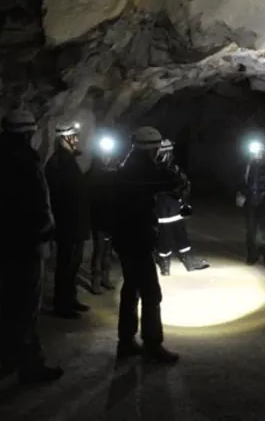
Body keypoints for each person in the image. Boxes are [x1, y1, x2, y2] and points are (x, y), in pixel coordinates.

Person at [0, 109, 63, 383]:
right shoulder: (26, 163)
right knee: (26, 307)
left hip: (4, 244)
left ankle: (8, 358)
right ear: (28, 134)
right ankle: (31, 365)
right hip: (26, 246)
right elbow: (38, 206)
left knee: (9, 303)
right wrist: (46, 233)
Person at [107, 126, 187, 363]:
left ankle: (126, 341)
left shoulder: (126, 167)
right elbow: (177, 181)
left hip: (125, 238)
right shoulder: (144, 170)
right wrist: (166, 163)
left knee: (131, 289)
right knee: (151, 293)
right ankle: (153, 344)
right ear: (152, 149)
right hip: (138, 239)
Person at [45, 121, 91, 319]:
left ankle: (70, 298)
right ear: (63, 139)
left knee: (73, 264)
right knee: (65, 265)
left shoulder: (69, 161)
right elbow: (59, 195)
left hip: (76, 222)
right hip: (67, 223)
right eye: (73, 137)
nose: (77, 140)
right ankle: (62, 304)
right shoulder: (57, 163)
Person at [155, 139, 209, 276]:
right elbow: (182, 185)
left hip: (161, 207)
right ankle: (187, 261)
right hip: (171, 205)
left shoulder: (152, 167)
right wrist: (184, 199)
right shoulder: (171, 168)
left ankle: (165, 265)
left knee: (165, 235)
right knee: (178, 233)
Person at [237, 140, 265, 268]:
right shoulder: (248, 165)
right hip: (251, 202)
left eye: (258, 151)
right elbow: (242, 180)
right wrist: (242, 193)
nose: (256, 154)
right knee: (251, 230)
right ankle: (251, 255)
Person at [88, 131, 118, 295]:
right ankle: (96, 280)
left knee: (107, 250)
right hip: (99, 219)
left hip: (110, 218)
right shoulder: (94, 174)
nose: (107, 157)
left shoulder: (114, 173)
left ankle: (105, 277)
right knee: (99, 250)